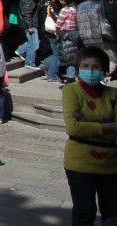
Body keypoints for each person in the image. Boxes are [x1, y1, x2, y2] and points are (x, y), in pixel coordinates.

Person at [62, 45, 117, 225]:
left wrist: (88, 122)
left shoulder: (113, 94)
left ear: (104, 70)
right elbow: (73, 127)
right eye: (85, 66)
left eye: (96, 67)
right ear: (78, 68)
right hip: (79, 162)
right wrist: (108, 125)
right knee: (84, 211)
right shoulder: (72, 90)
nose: (90, 71)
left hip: (110, 163)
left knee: (112, 213)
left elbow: (81, 126)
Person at [76, 0, 117, 77]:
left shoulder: (80, 6)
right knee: (111, 60)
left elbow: (77, 23)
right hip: (104, 37)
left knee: (93, 59)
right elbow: (112, 18)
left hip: (87, 38)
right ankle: (104, 77)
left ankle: (94, 77)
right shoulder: (103, 3)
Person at [16, 0, 40, 68]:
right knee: (34, 44)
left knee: (32, 42)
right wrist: (30, 26)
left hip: (26, 24)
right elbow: (27, 13)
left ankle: (21, 50)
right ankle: (30, 62)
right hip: (30, 24)